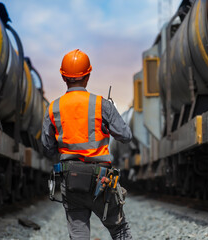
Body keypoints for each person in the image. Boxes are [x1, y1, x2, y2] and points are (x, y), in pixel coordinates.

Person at [41, 49, 133, 240]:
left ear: (63, 77)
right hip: (101, 180)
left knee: (79, 234)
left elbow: (47, 147)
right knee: (119, 230)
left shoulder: (53, 108)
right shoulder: (101, 105)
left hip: (71, 179)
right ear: (88, 76)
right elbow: (125, 135)